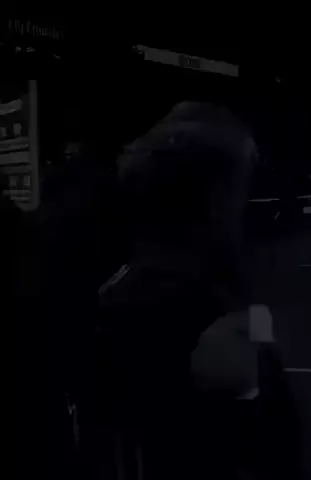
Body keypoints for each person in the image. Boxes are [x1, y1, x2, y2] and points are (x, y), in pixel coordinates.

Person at [82, 102, 259, 478]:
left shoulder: (114, 294)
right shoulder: (214, 311)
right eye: (238, 190)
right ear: (213, 200)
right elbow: (263, 443)